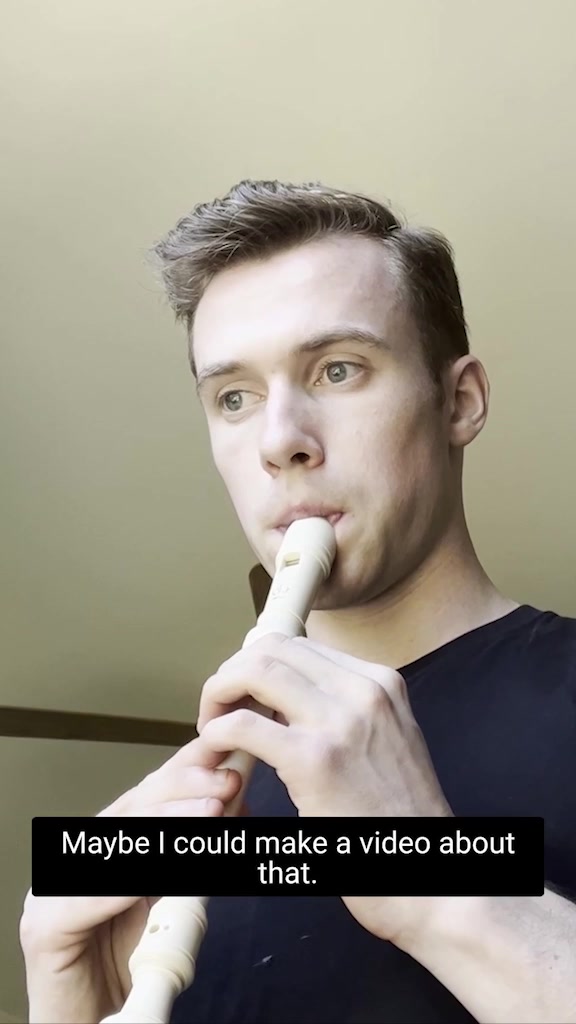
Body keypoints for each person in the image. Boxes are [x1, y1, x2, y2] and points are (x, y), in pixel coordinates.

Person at [20, 180, 576, 1024]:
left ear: (458, 401)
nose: (280, 440)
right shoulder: (199, 802)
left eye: (339, 369)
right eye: (234, 397)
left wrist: (437, 885)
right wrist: (73, 1000)